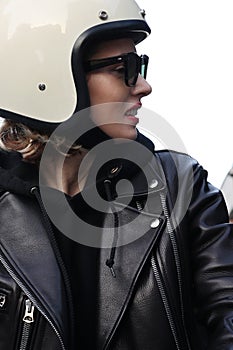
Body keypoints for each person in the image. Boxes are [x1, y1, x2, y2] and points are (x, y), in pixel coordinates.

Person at [0, 0, 233, 349]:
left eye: (140, 65)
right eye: (122, 67)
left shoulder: (182, 188)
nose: (142, 86)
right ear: (47, 80)